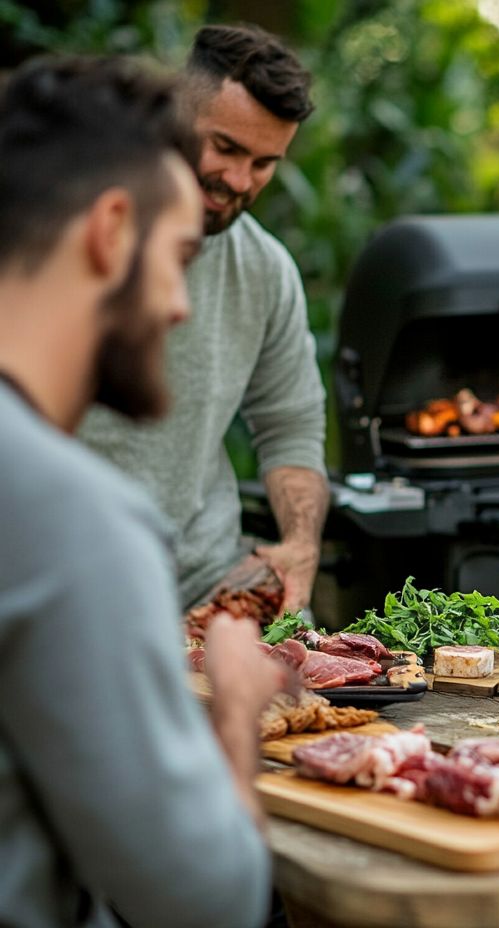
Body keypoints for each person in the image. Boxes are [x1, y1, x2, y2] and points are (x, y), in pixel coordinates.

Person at [0, 55, 286, 926]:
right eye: (175, 257)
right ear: (112, 231)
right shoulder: (72, 521)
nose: (180, 305)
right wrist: (236, 711)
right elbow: (205, 903)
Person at [80, 23, 329, 616]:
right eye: (226, 148)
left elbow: (290, 426)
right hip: (64, 568)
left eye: (265, 162)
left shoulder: (264, 268)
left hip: (204, 579)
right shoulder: (65, 232)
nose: (241, 182)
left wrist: (298, 543)